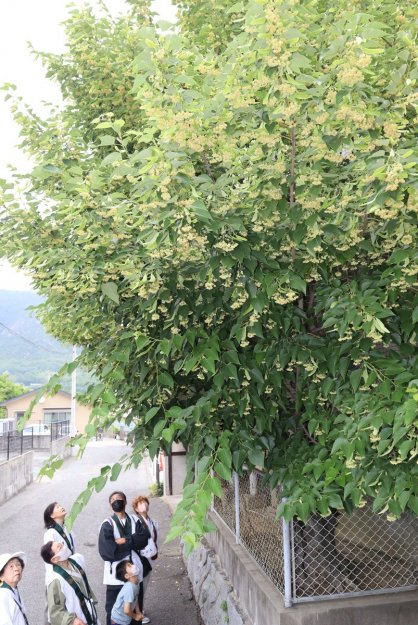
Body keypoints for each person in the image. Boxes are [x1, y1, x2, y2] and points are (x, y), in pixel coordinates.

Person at [98, 491, 150, 625]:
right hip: (115, 577)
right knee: (113, 611)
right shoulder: (107, 524)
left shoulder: (135, 519)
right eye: (113, 500)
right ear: (110, 505)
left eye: (119, 499)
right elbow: (108, 552)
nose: (116, 501)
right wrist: (132, 543)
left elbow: (144, 539)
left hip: (134, 573)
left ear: (125, 502)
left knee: (135, 607)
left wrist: (124, 540)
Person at [40, 541, 100, 625]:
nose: (64, 547)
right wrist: (72, 620)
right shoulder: (55, 580)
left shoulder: (77, 560)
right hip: (78, 621)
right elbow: (55, 612)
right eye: (60, 547)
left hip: (91, 614)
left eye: (62, 544)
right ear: (54, 559)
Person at [132, 496, 159, 624]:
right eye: (140, 504)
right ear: (136, 509)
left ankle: (140, 609)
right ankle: (139, 614)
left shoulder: (151, 521)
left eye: (145, 503)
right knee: (140, 587)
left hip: (149, 558)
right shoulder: (136, 522)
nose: (143, 505)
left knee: (144, 585)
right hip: (141, 559)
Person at [0, 551, 29, 625]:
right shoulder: (3, 595)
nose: (16, 569)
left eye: (18, 564)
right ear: (1, 576)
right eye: (11, 566)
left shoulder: (12, 590)